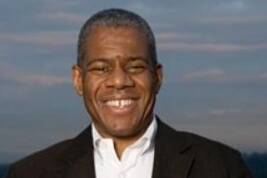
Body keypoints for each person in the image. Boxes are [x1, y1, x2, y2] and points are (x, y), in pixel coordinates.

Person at [6, 8, 253, 178]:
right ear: (78, 80)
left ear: (157, 77)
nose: (119, 81)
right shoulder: (31, 173)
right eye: (101, 68)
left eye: (135, 67)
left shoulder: (222, 167)